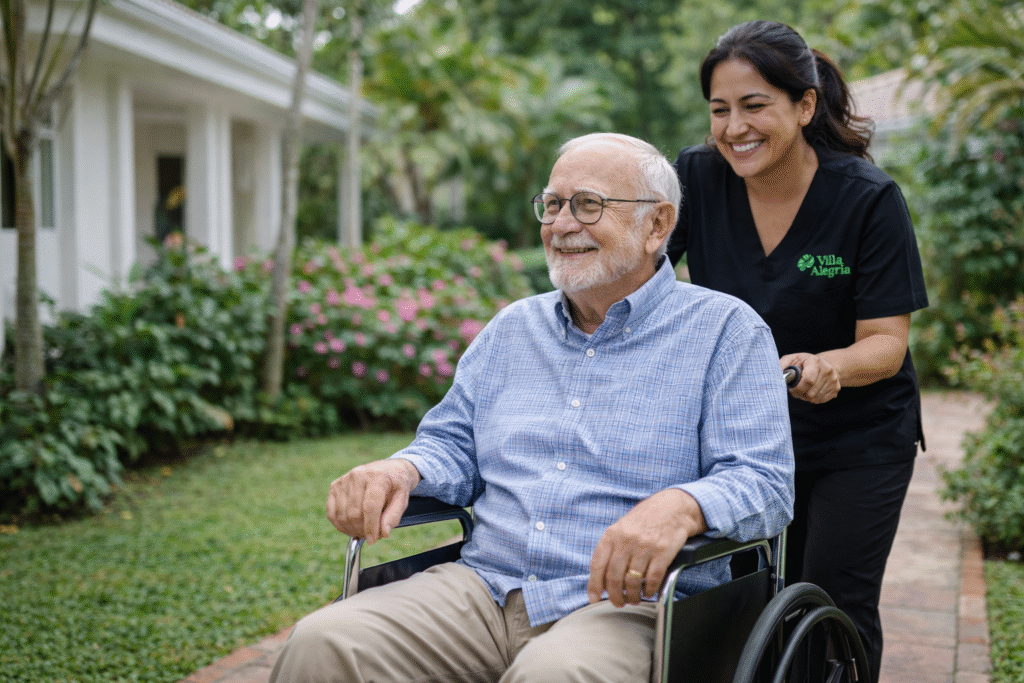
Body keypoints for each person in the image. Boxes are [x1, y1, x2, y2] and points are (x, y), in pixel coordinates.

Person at [269, 132, 795, 683]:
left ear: (657, 225)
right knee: (323, 643)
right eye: (553, 204)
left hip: (628, 603)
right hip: (484, 586)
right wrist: (401, 469)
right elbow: (453, 444)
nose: (561, 224)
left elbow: (764, 482)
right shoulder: (512, 329)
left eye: (588, 205)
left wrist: (683, 506)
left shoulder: (726, 332)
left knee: (554, 676)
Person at [666, 20, 929, 683]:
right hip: (745, 434)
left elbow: (887, 343)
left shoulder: (867, 199)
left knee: (831, 598)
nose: (734, 128)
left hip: (857, 438)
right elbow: (641, 277)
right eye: (720, 110)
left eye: (755, 105)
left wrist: (826, 366)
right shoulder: (697, 176)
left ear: (804, 105)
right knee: (739, 600)